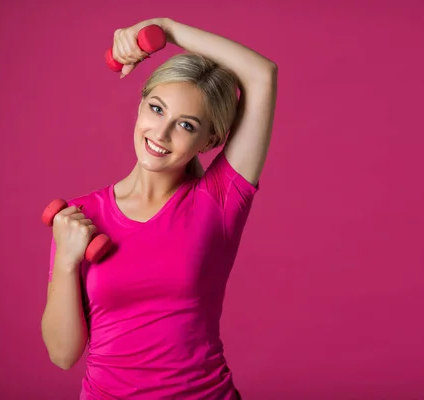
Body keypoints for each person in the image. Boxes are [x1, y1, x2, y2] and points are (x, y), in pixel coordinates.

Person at [41, 17, 277, 399]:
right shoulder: (81, 217)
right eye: (156, 109)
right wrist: (67, 262)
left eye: (186, 125)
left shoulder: (219, 199)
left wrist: (165, 30)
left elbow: (262, 74)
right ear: (140, 107)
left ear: (210, 140)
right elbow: (63, 355)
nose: (161, 134)